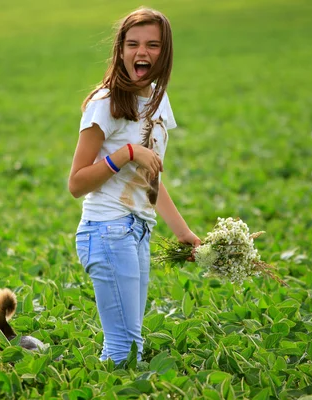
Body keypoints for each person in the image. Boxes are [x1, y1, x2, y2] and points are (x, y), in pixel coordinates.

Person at [68, 7, 200, 365]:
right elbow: (77, 183)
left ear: (165, 52)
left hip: (137, 232)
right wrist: (126, 153)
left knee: (130, 347)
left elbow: (151, 178)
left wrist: (183, 232)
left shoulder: (158, 100)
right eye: (133, 44)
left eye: (152, 45)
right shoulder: (105, 104)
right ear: (121, 50)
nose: (142, 52)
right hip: (107, 231)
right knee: (124, 351)